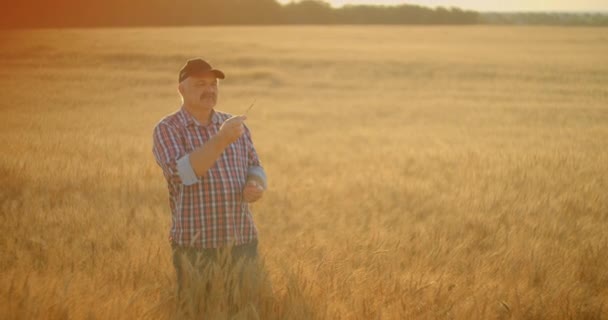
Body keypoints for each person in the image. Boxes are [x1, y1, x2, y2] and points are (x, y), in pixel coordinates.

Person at [152, 58, 267, 300]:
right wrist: (221, 139)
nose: (210, 90)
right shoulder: (168, 128)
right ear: (181, 89)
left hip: (242, 243)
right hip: (195, 249)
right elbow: (182, 174)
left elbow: (255, 165)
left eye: (214, 84)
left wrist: (254, 184)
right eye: (200, 84)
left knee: (244, 312)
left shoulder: (234, 125)